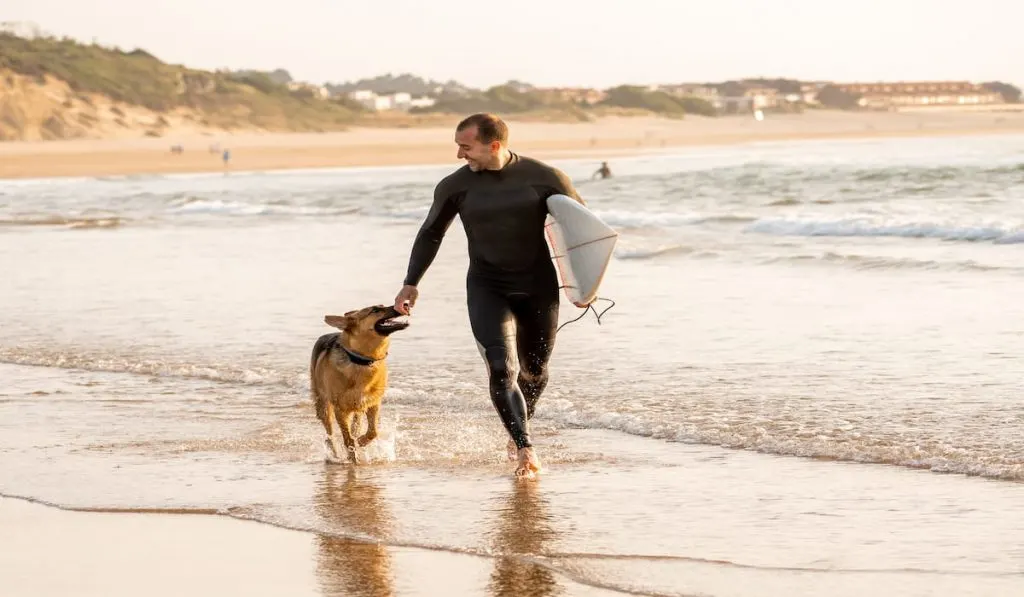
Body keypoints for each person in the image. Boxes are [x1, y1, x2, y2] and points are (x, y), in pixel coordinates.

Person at [392, 113, 587, 479]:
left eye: (465, 147)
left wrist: (585, 283)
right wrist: (411, 281)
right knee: (502, 367)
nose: (459, 155)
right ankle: (524, 446)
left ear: (493, 144)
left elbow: (582, 230)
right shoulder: (455, 186)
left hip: (538, 287)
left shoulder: (545, 177)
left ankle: (518, 427)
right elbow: (431, 233)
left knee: (535, 370)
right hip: (487, 285)